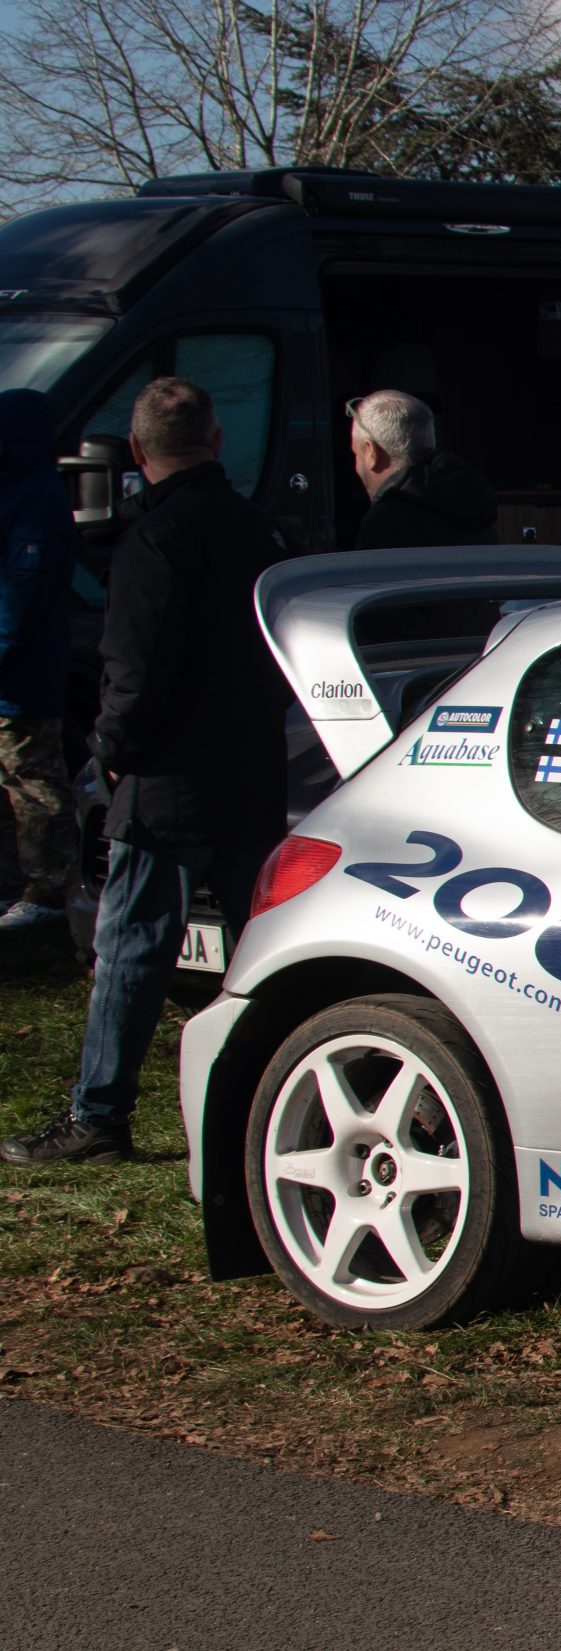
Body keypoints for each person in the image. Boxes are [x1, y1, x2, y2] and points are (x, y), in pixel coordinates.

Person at [3, 379, 289, 1166]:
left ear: (135, 451)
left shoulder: (153, 541)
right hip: (252, 771)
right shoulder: (259, 531)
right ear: (217, 440)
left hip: (166, 781)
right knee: (262, 952)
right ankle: (269, 1106)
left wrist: (112, 752)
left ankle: (100, 1114)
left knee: (132, 946)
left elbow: (133, 670)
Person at [0, 387, 77, 934]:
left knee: (33, 780)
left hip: (22, 677)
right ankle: (18, 882)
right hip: (15, 671)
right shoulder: (21, 490)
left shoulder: (36, 499)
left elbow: (21, 594)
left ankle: (49, 887)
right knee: (14, 780)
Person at [347, 390, 499, 549]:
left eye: (356, 454)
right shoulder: (474, 504)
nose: (356, 466)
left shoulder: (385, 522)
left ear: (371, 452)